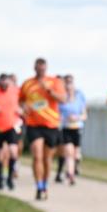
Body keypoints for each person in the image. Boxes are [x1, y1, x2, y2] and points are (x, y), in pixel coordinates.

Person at [19, 58, 66, 200]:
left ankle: (45, 184)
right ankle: (39, 186)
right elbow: (21, 100)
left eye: (43, 69)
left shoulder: (55, 82)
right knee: (37, 156)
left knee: (47, 159)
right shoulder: (27, 84)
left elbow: (63, 99)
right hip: (34, 124)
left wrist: (50, 91)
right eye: (38, 68)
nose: (41, 71)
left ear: (46, 69)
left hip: (51, 124)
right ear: (35, 68)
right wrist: (23, 106)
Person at [55, 74, 86, 185]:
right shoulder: (61, 99)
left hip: (77, 128)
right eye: (66, 84)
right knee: (69, 153)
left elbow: (84, 115)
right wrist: (64, 118)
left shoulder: (80, 96)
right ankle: (71, 175)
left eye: (70, 83)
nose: (68, 86)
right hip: (66, 128)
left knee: (76, 154)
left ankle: (75, 167)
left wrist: (76, 118)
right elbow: (56, 114)